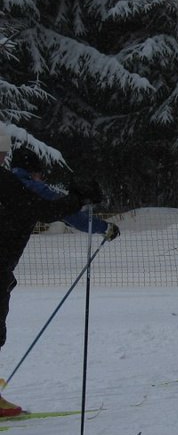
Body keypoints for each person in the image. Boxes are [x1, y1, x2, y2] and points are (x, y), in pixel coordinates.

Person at [0, 128, 103, 417]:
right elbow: (41, 209)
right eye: (2, 152)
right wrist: (78, 198)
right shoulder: (7, 182)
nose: (4, 157)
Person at [11, 148, 120, 242]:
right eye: (40, 174)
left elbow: (58, 213)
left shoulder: (8, 182)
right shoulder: (33, 188)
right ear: (32, 171)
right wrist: (105, 228)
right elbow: (68, 213)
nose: (42, 180)